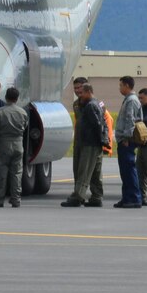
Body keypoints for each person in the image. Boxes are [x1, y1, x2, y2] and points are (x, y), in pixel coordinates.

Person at [64, 79, 108, 207]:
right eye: (76, 88)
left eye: (80, 89)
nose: (78, 91)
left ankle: (79, 196)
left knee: (86, 169)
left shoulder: (96, 103)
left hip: (90, 141)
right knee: (86, 170)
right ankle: (96, 197)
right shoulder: (77, 104)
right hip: (81, 140)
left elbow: (101, 123)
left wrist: (103, 140)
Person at [0, 87, 28, 208]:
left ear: (6, 97)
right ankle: (16, 199)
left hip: (3, 144)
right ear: (17, 98)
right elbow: (25, 126)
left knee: (1, 173)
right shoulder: (23, 112)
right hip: (18, 144)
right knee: (17, 173)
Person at [113, 75, 144, 207]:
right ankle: (126, 197)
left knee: (129, 170)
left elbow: (130, 120)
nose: (119, 88)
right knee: (125, 171)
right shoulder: (129, 99)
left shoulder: (131, 100)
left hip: (127, 141)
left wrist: (126, 137)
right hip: (124, 139)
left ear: (126, 85)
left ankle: (134, 198)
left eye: (121, 85)